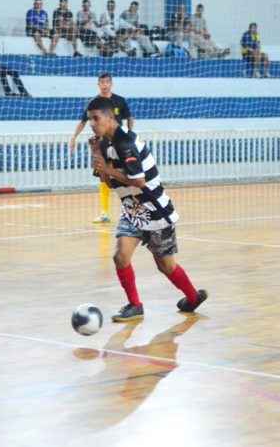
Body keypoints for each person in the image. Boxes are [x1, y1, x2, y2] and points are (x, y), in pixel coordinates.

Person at [86, 96, 208, 321]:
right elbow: (105, 179)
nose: (92, 124)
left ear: (110, 118)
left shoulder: (126, 142)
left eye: (96, 118)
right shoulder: (104, 143)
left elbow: (139, 180)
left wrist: (109, 170)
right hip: (132, 209)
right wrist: (96, 154)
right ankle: (135, 305)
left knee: (166, 266)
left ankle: (192, 297)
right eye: (89, 120)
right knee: (120, 257)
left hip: (155, 210)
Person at [70, 73, 134, 223]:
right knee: (102, 175)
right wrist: (74, 137)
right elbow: (83, 121)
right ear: (98, 84)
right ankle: (104, 213)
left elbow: (129, 118)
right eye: (102, 82)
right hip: (103, 142)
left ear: (111, 84)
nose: (105, 85)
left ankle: (131, 210)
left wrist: (130, 134)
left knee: (126, 174)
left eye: (107, 82)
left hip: (119, 142)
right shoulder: (94, 102)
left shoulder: (120, 100)